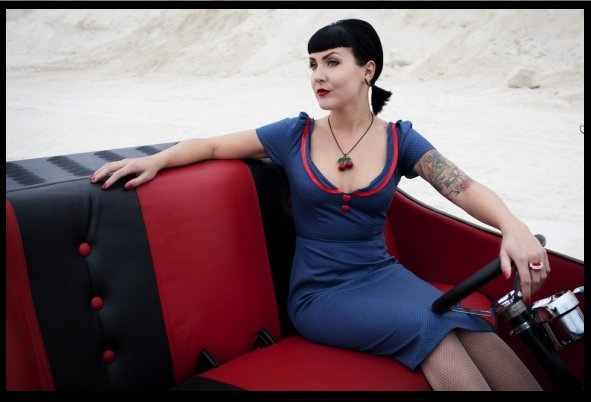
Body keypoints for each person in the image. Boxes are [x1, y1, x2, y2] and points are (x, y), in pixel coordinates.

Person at [91, 19, 550, 391]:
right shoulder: (295, 134)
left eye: (332, 62)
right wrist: (156, 161)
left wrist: (513, 226)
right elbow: (212, 146)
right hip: (321, 293)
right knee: (435, 337)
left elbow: (462, 187)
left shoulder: (400, 139)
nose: (318, 76)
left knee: (470, 326)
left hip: (383, 274)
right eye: (312, 64)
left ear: (368, 71)